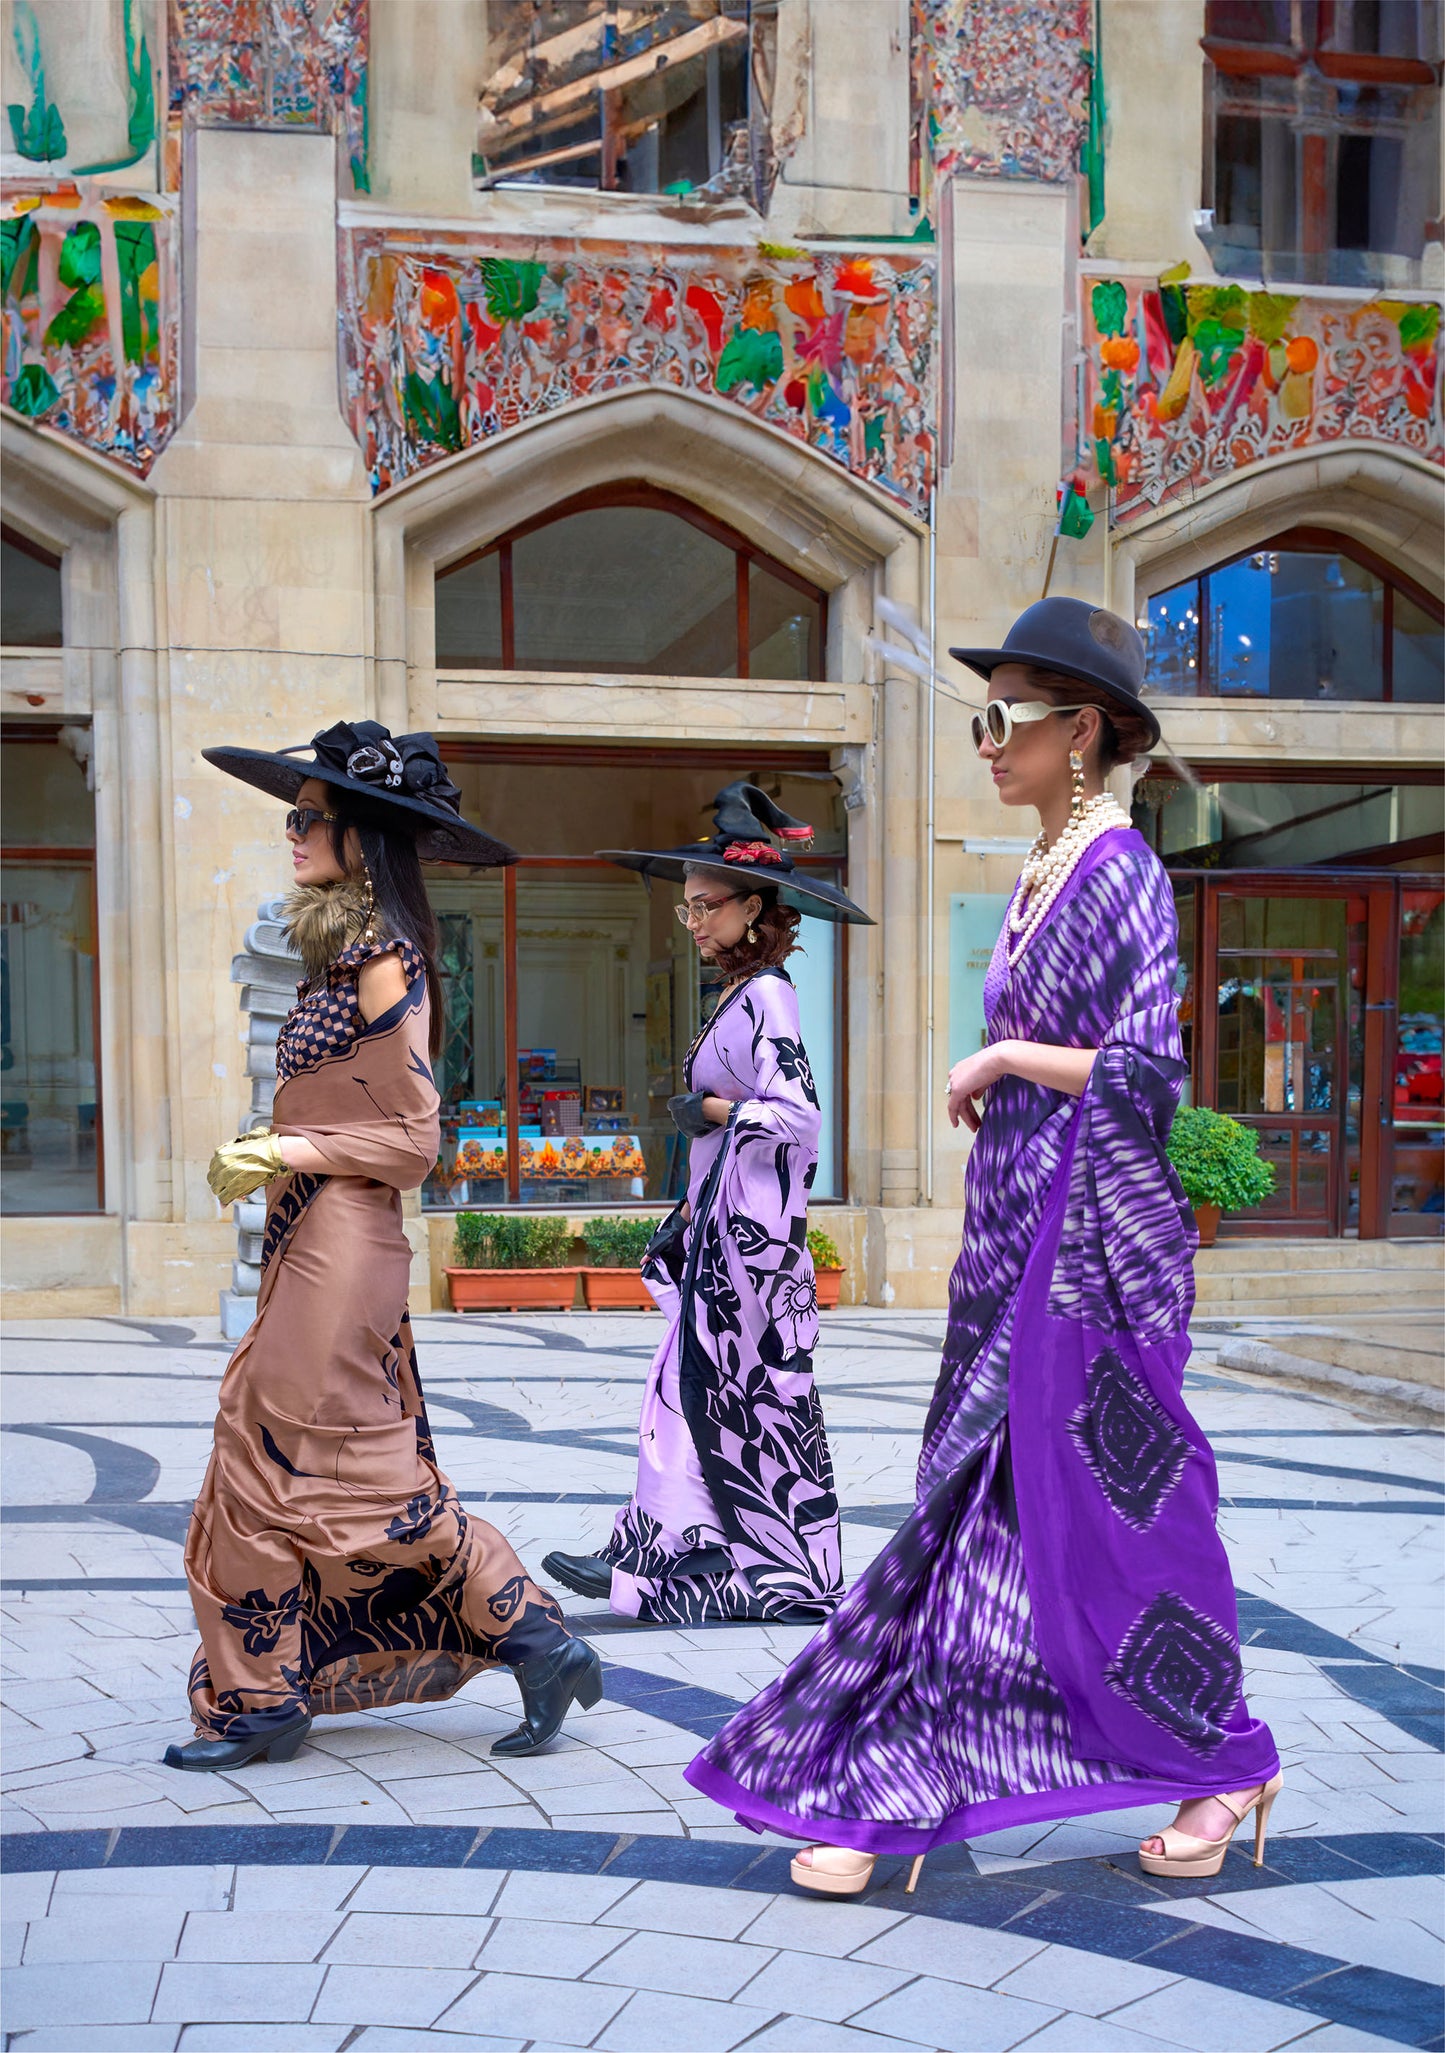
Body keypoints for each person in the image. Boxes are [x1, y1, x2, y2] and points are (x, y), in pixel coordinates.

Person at [685, 601, 1281, 1894]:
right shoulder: (1039, 865)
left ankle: (1223, 1757)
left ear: (1080, 729)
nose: (982, 739)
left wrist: (1006, 1056)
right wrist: (1001, 1088)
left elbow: (1148, 1072)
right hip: (1011, 1235)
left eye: (1002, 717)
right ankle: (905, 1772)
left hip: (1081, 1257)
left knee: (1123, 1519)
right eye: (979, 714)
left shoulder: (1120, 867)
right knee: (974, 1517)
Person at [164, 720, 600, 1771]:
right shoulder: (341, 953)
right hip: (311, 1235)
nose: (291, 831)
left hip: (342, 1239)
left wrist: (281, 1143)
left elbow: (415, 1139)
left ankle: (261, 1697)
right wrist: (286, 1161)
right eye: (293, 815)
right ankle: (536, 1638)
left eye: (308, 817)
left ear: (363, 834)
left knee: (268, 1464)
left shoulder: (385, 959)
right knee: (351, 1475)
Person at [543, 782, 873, 1624]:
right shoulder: (740, 993)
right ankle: (653, 1557)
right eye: (686, 906)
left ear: (752, 907)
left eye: (705, 906)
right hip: (722, 1240)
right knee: (693, 1393)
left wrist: (721, 1112)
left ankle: (731, 1568)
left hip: (751, 1254)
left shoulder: (768, 997)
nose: (690, 921)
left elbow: (798, 1116)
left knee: (726, 1398)